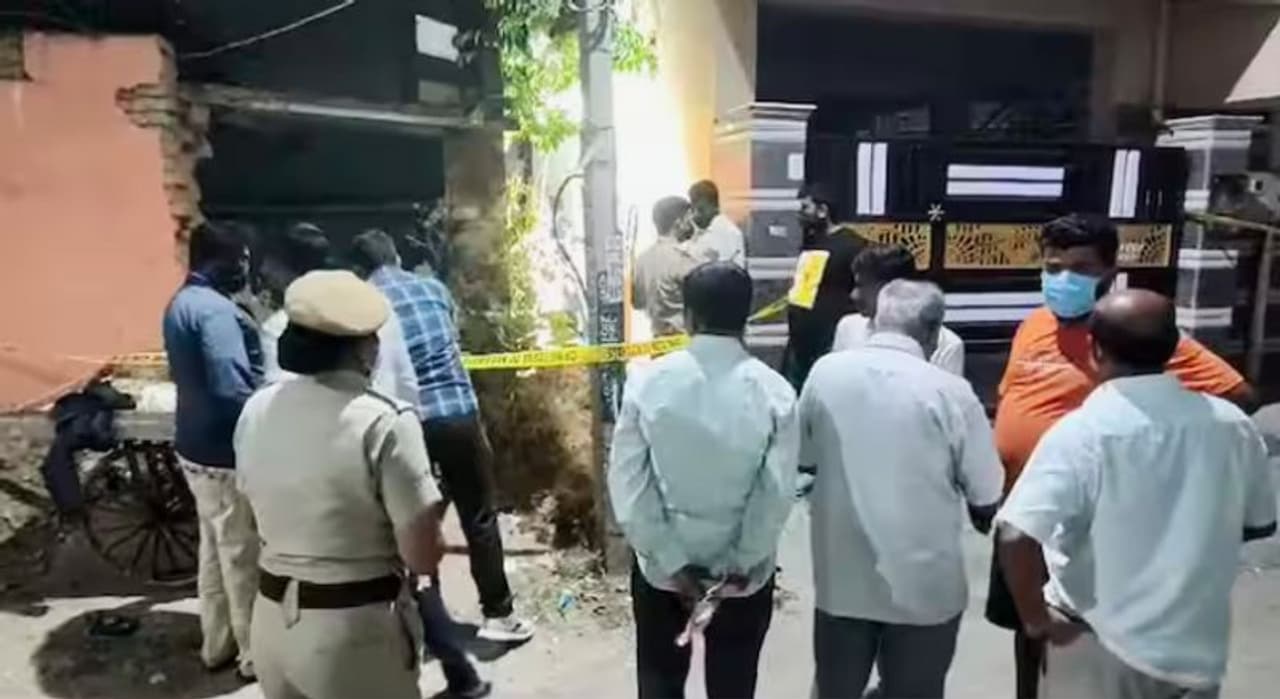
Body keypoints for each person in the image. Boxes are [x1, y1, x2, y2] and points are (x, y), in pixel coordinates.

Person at [987, 213, 1257, 699]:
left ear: (1109, 272)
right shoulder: (1034, 325)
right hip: (1027, 506)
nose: (1062, 279)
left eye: (1080, 268)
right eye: (1052, 267)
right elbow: (1013, 395)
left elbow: (1237, 396)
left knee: (1080, 634)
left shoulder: (1128, 328)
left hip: (1089, 518)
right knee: (1028, 630)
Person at [234, 270, 447, 699]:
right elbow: (422, 556)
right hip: (353, 636)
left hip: (272, 623)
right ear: (365, 348)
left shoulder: (256, 410)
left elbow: (249, 520)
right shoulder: (386, 421)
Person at [801, 279, 1002, 698]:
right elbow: (986, 494)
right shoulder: (952, 393)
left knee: (835, 688)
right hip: (924, 589)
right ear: (933, 332)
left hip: (843, 579)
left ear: (875, 321)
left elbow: (803, 457)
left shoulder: (825, 374)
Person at [609, 262, 798, 699]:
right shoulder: (776, 393)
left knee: (659, 683)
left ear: (688, 316)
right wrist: (739, 564)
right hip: (742, 580)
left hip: (663, 575)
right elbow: (775, 495)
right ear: (746, 317)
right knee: (734, 685)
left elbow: (629, 486)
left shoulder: (647, 383)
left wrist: (673, 563)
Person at [349, 230, 534, 643]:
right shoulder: (434, 288)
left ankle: (410, 615)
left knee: (405, 517)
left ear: (360, 270)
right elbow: (451, 334)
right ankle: (499, 616)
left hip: (406, 421)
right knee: (479, 514)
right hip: (458, 414)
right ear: (396, 256)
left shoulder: (366, 303)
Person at [162, 221, 262, 679]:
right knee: (241, 558)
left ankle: (216, 644)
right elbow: (231, 387)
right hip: (224, 454)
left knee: (214, 553)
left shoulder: (180, 303)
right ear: (220, 260)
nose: (244, 268)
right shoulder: (216, 312)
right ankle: (252, 655)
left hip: (193, 446)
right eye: (240, 259)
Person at [257, 223, 418, 406]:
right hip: (386, 418)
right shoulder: (378, 308)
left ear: (287, 270)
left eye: (271, 264)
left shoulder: (279, 327)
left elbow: (278, 399)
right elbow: (407, 385)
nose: (265, 271)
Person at [783, 182, 868, 389]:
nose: (800, 214)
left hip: (830, 343)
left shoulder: (853, 245)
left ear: (822, 210)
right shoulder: (811, 244)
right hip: (800, 344)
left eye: (805, 207)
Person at [832, 244, 965, 376]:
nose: (854, 295)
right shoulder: (848, 327)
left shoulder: (947, 345)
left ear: (892, 289)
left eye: (862, 286)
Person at [633, 196, 700, 336]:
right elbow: (702, 301)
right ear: (678, 223)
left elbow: (637, 302)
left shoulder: (641, 260)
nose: (692, 224)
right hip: (684, 338)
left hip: (657, 340)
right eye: (689, 219)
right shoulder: (682, 260)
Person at [685, 180, 746, 267]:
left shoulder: (730, 233)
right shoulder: (698, 231)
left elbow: (735, 270)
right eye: (694, 209)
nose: (697, 214)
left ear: (714, 205)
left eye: (701, 209)